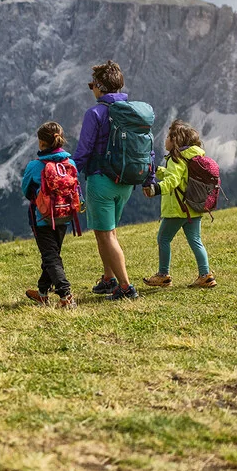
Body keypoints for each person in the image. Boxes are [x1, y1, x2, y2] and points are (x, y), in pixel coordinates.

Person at [72, 60, 155, 301]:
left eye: (92, 85)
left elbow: (84, 150)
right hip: (127, 181)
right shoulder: (133, 112)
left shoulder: (95, 113)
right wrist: (149, 178)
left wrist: (68, 173)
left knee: (105, 235)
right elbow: (148, 149)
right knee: (109, 232)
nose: (92, 90)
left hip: (101, 181)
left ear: (99, 86)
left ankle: (126, 287)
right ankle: (109, 278)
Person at [141, 120, 217, 288]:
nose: (165, 139)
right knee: (196, 240)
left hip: (177, 209)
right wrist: (156, 171)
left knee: (163, 238)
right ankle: (205, 275)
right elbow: (176, 176)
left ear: (175, 140)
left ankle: (163, 274)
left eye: (168, 136)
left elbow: (173, 180)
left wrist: (156, 189)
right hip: (194, 207)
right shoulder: (192, 156)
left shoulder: (176, 158)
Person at [20, 121, 79, 309]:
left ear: (41, 143)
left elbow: (25, 189)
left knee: (50, 257)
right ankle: (42, 293)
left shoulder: (34, 166)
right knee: (52, 255)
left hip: (42, 219)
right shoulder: (71, 163)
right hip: (65, 216)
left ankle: (66, 295)